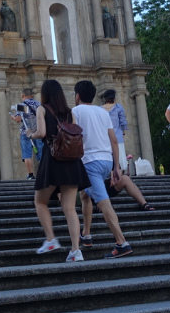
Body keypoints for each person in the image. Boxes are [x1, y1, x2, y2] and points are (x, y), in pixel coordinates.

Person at [28, 79, 89, 262]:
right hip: (71, 161)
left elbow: (41, 133)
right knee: (70, 208)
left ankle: (50, 239)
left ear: (45, 93)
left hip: (53, 159)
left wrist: (30, 134)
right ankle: (76, 250)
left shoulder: (42, 109)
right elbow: (76, 132)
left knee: (40, 202)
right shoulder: (70, 112)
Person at [73, 80, 134, 258]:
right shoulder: (103, 112)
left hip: (89, 162)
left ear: (77, 96)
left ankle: (122, 242)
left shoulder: (75, 111)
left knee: (103, 202)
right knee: (85, 194)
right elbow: (114, 140)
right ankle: (87, 234)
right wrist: (116, 166)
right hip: (106, 160)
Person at [10, 88, 41, 179]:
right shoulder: (38, 104)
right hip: (39, 131)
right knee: (41, 153)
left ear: (22, 96)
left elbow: (18, 119)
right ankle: (45, 173)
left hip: (26, 132)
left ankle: (31, 175)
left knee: (27, 154)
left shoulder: (22, 105)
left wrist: (12, 117)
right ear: (32, 95)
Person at [101, 89, 129, 171]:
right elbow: (123, 122)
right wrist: (123, 132)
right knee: (119, 160)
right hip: (117, 137)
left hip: (104, 138)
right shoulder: (118, 107)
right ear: (114, 98)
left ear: (104, 99)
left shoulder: (100, 109)